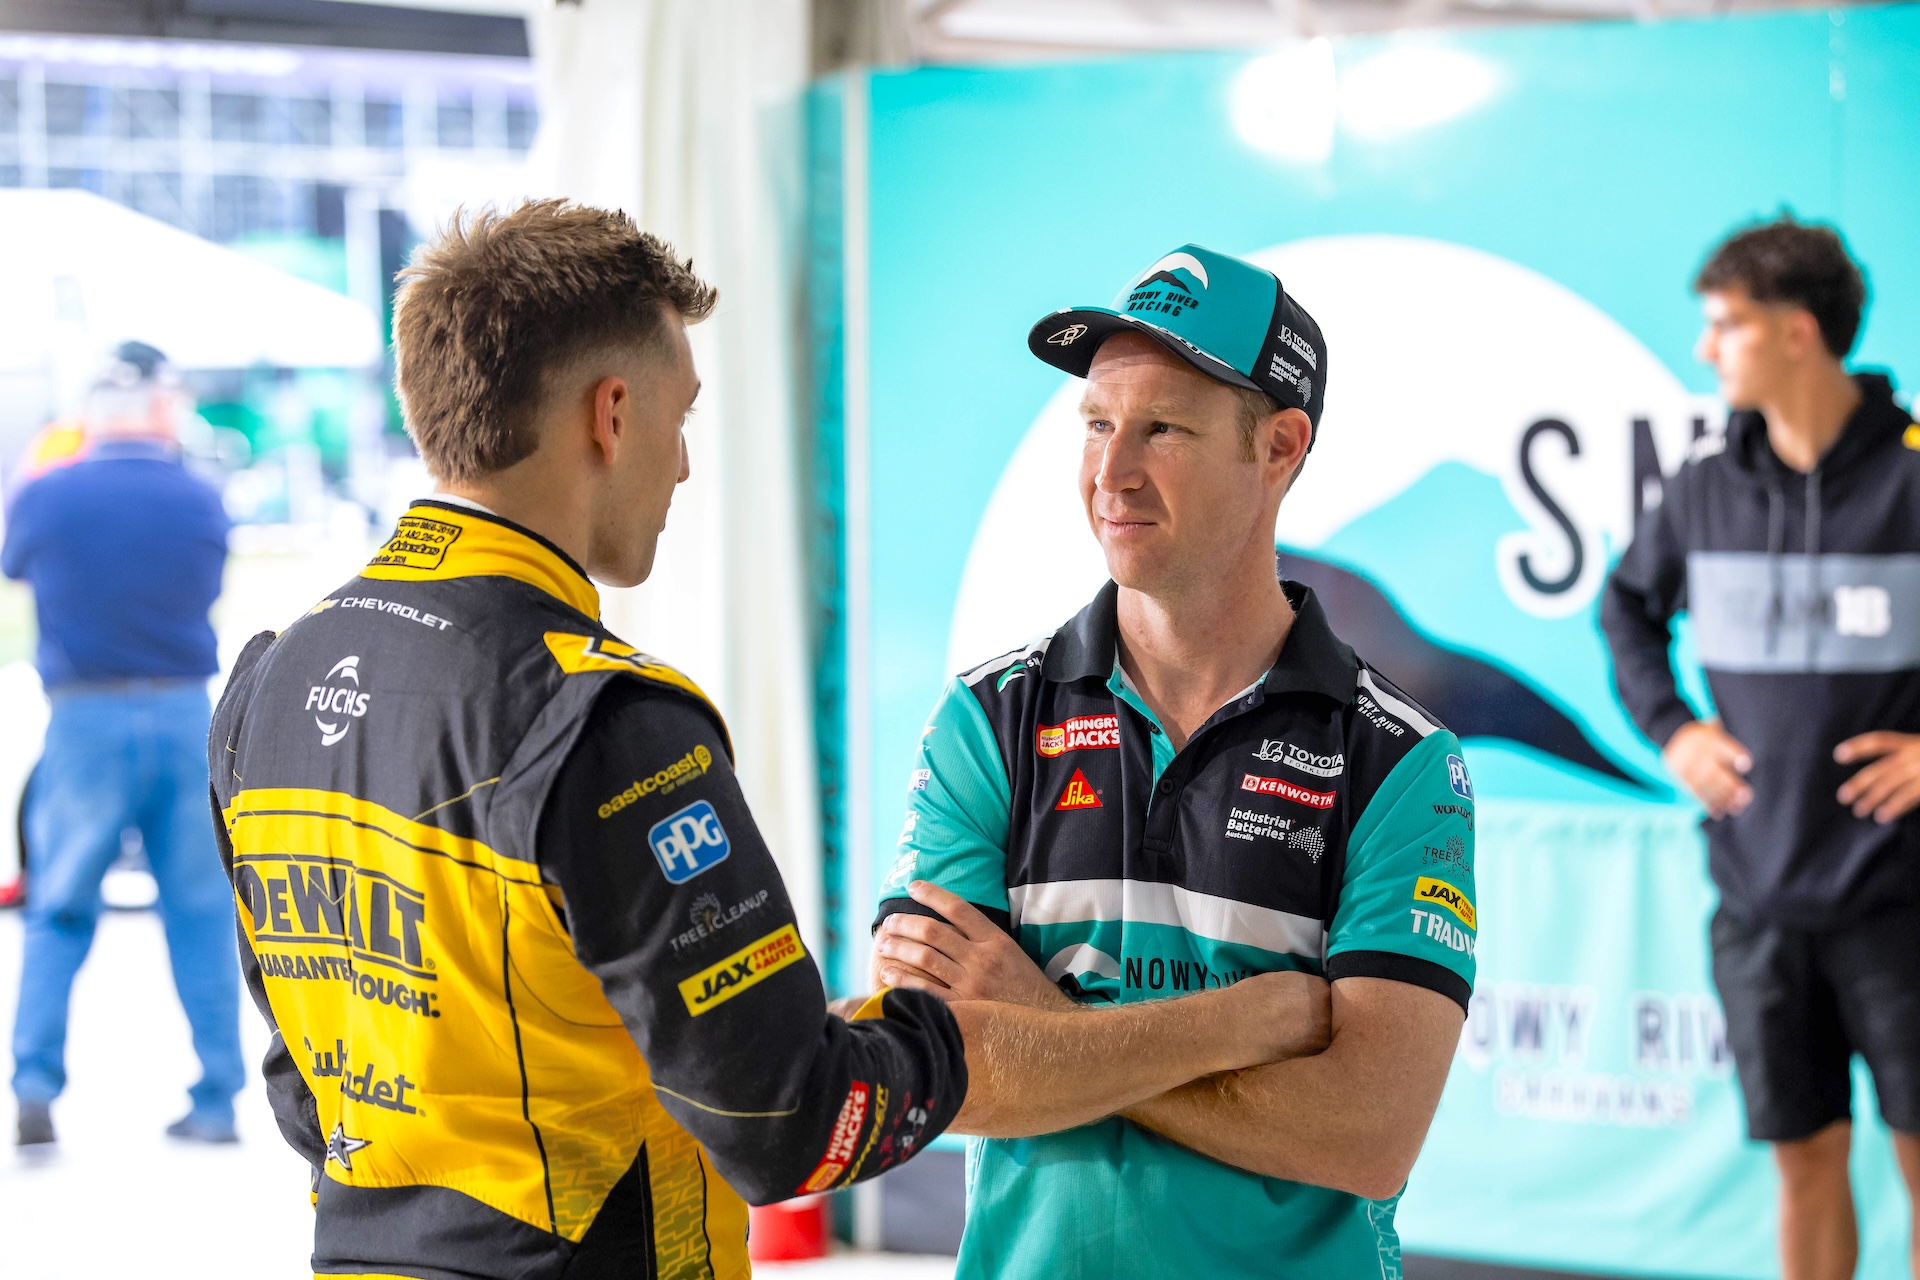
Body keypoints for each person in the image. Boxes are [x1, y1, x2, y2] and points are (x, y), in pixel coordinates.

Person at [210, 201, 976, 1278]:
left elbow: (306, 1082)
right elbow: (784, 1120)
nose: (684, 467)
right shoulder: (606, 719)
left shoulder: (269, 680)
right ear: (610, 414)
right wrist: (955, 1029)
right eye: (681, 417)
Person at [869, 244, 1478, 1278]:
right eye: (1096, 424)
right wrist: (1238, 1022)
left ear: (1279, 447)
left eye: (1162, 428)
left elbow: (1367, 1133)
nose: (1112, 472)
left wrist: (1043, 1024)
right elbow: (938, 1071)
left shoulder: (1401, 764)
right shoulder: (985, 721)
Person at [1602, 217, 1920, 1280]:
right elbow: (1626, 611)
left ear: (1795, 332)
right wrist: (1674, 729)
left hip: (1903, 898)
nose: (1706, 349)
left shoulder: (1915, 477)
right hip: (1758, 900)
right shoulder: (1703, 488)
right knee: (1804, 1163)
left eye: (1725, 325)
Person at [2, 341, 241, 1147]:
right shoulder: (200, 499)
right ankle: (217, 1098)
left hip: (85, 720)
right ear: (160, 413)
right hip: (182, 715)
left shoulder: (46, 496)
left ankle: (34, 1089)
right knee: (200, 912)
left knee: (59, 907)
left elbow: (15, 565)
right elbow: (210, 584)